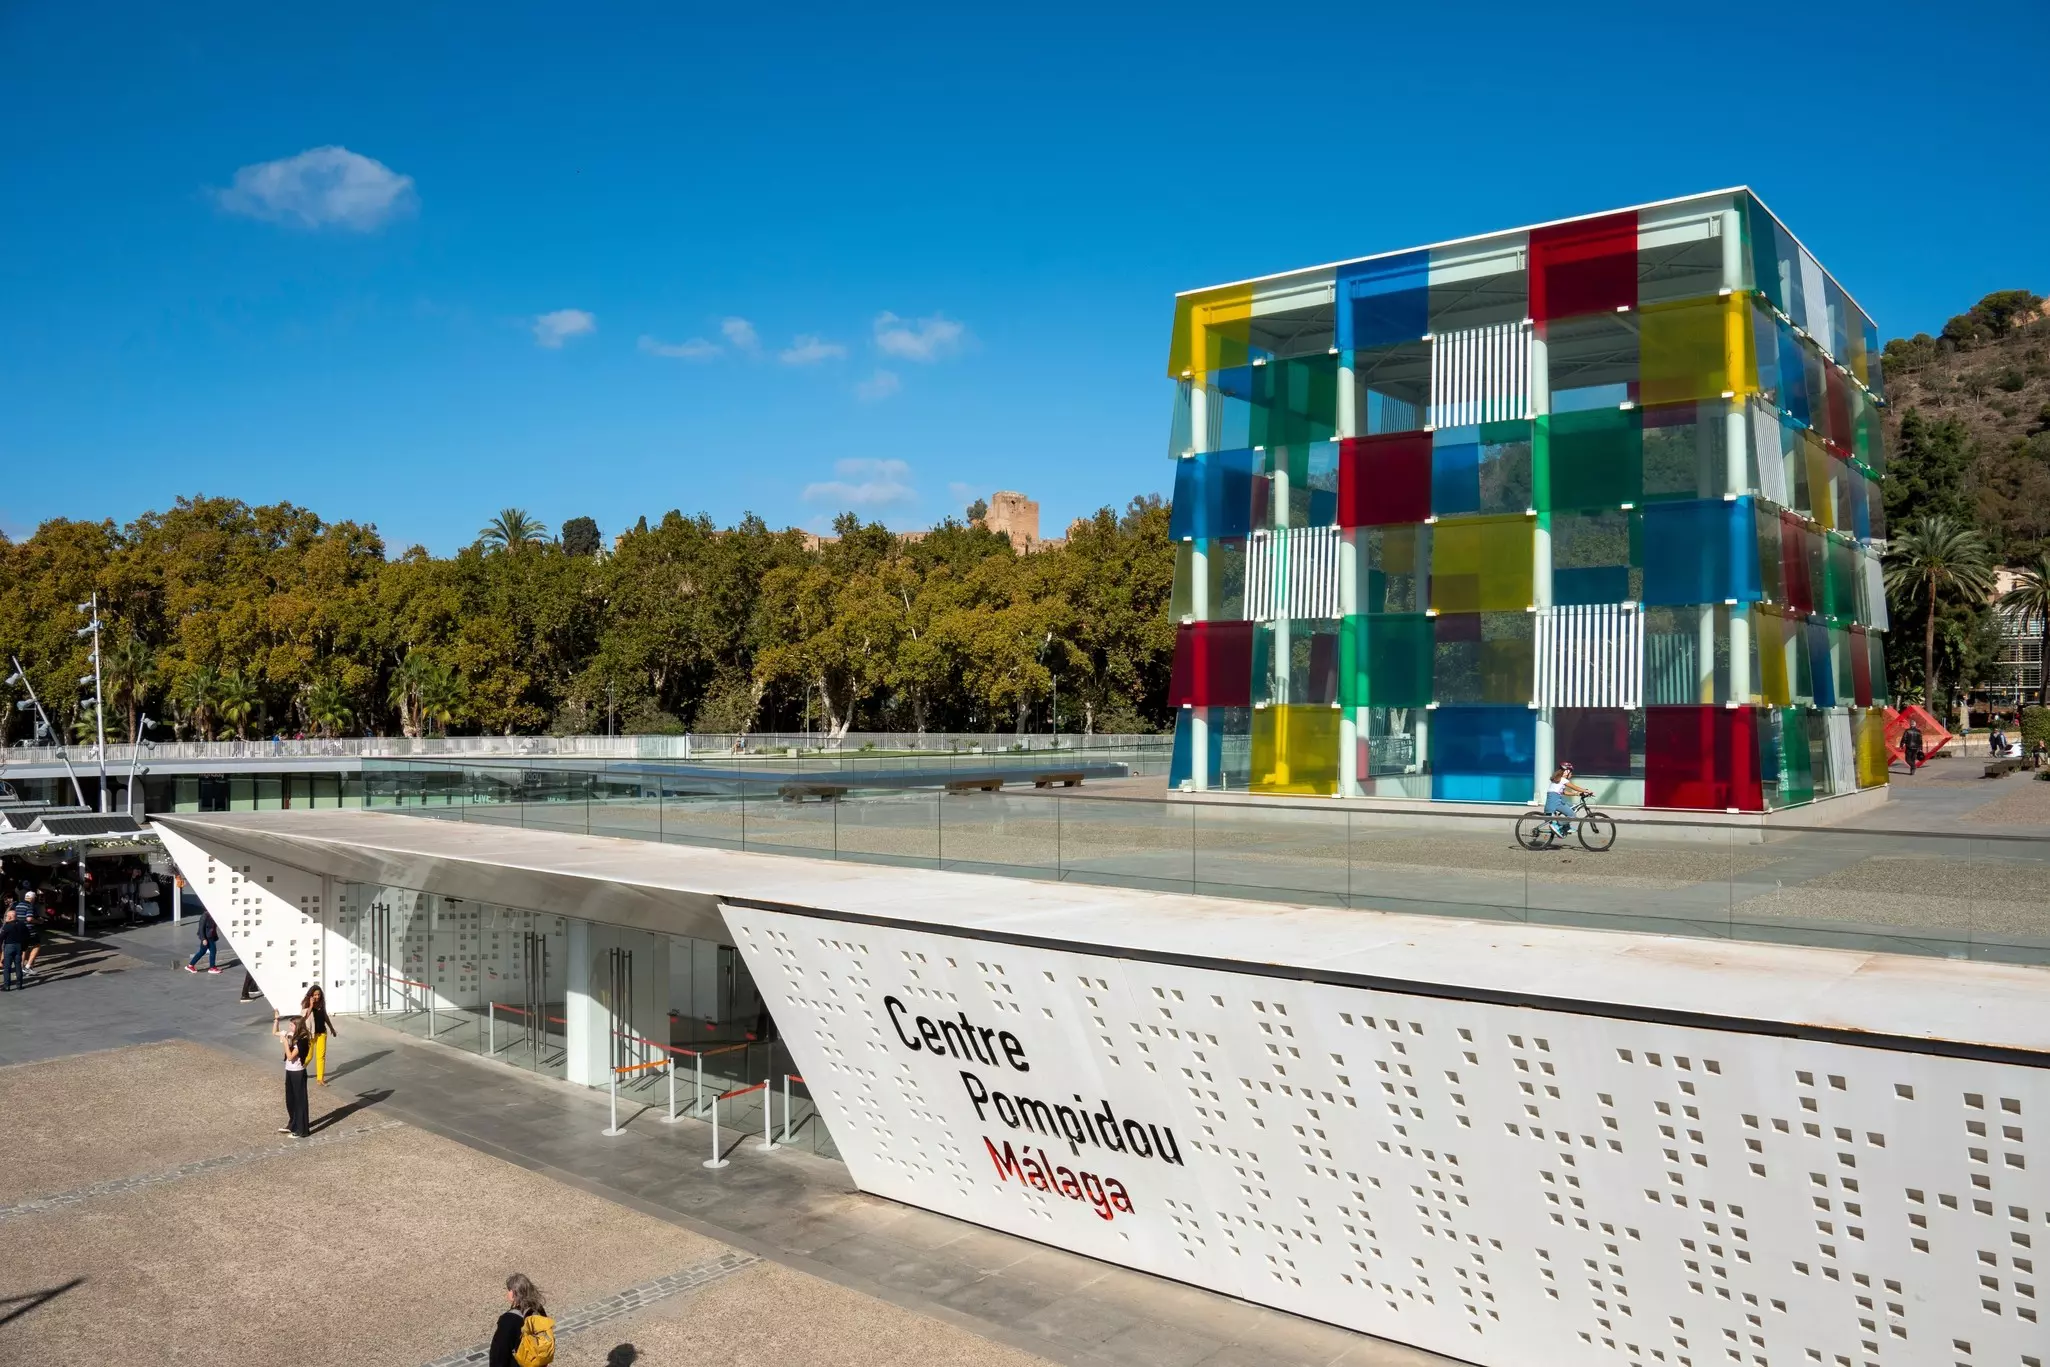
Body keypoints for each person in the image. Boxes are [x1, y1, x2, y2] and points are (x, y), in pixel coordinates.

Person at [490, 1273, 556, 1367]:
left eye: (509, 1290)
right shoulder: (538, 1309)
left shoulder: (508, 1320)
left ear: (513, 1293)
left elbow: (499, 1354)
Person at [275, 1009, 312, 1138]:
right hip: (289, 1071)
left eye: (291, 1025)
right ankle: (293, 1124)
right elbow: (274, 1032)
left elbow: (290, 1056)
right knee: (290, 1099)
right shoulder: (292, 1035)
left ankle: (302, 1129)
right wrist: (276, 1019)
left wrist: (285, 1043)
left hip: (298, 1072)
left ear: (297, 1026)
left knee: (300, 1100)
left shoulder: (302, 1040)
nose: (289, 1027)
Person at [301, 984, 339, 1085]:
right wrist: (311, 1005)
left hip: (322, 1032)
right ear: (311, 995)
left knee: (321, 1056)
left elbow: (325, 1015)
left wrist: (331, 1028)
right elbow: (304, 1017)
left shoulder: (322, 1003)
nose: (317, 997)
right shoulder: (306, 1003)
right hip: (311, 1033)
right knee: (309, 1056)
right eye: (315, 995)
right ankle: (299, 1069)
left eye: (319, 994)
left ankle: (320, 1079)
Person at [1543, 762, 1592, 835]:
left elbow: (1564, 792)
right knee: (1572, 815)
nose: (1571, 775)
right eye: (1571, 772)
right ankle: (1557, 825)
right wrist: (1587, 791)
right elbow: (1575, 787)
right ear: (1566, 772)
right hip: (1556, 801)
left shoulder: (1559, 780)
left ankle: (1566, 827)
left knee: (1572, 807)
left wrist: (1577, 794)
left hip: (1556, 800)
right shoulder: (1563, 780)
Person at [18, 890, 43, 980]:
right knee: (37, 945)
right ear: (32, 898)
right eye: (35, 898)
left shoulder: (18, 905)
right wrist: (38, 921)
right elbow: (29, 919)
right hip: (29, 930)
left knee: (24, 949)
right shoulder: (29, 906)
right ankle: (28, 967)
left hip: (19, 930)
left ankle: (20, 968)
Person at [1, 909, 27, 991]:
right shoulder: (22, 924)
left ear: (10, 917)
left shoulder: (7, 926)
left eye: (7, 916)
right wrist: (24, 947)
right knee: (18, 966)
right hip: (19, 946)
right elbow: (27, 936)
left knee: (7, 967)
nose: (5, 917)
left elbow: (1, 937)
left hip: (9, 946)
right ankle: (19, 985)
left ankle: (6, 986)